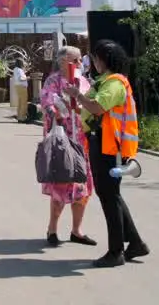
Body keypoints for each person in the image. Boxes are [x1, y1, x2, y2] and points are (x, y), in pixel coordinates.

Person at [65, 39, 149, 268]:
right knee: (111, 196)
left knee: (109, 198)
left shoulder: (114, 84)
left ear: (103, 60)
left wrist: (78, 96)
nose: (93, 62)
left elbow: (97, 107)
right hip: (103, 143)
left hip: (109, 146)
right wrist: (79, 101)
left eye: (95, 58)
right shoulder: (105, 82)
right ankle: (135, 243)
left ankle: (116, 252)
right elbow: (93, 109)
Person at [40, 46, 97, 248]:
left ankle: (77, 230)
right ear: (64, 61)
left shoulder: (82, 81)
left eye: (81, 60)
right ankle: (52, 229)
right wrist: (61, 106)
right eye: (76, 60)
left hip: (82, 140)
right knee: (61, 184)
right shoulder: (53, 81)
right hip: (63, 140)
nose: (80, 64)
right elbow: (48, 105)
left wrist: (83, 105)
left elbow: (91, 103)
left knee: (82, 185)